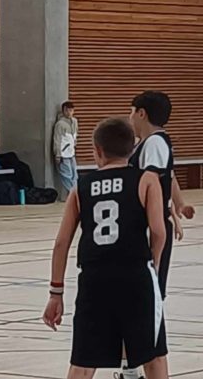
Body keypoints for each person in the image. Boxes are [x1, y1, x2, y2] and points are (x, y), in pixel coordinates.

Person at [42, 118, 169, 379]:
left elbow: (61, 243)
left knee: (83, 360)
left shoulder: (80, 187)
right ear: (132, 149)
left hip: (94, 278)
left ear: (97, 150)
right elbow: (158, 232)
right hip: (134, 275)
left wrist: (56, 293)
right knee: (153, 356)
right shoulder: (146, 180)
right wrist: (153, 265)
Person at [123, 90, 195, 379]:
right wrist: (178, 205)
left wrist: (167, 212)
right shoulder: (149, 144)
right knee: (136, 299)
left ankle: (138, 366)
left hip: (149, 231)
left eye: (131, 111)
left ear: (141, 113)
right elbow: (170, 177)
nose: (129, 117)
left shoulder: (154, 143)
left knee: (147, 299)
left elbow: (153, 183)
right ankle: (131, 366)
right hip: (148, 226)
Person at [53, 101, 79, 198]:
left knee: (74, 174)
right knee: (66, 174)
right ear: (63, 111)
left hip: (72, 152)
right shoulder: (60, 124)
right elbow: (57, 139)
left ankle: (75, 192)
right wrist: (58, 154)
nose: (69, 113)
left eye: (71, 110)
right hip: (64, 154)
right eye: (67, 110)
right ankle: (74, 193)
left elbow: (75, 135)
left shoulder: (74, 121)